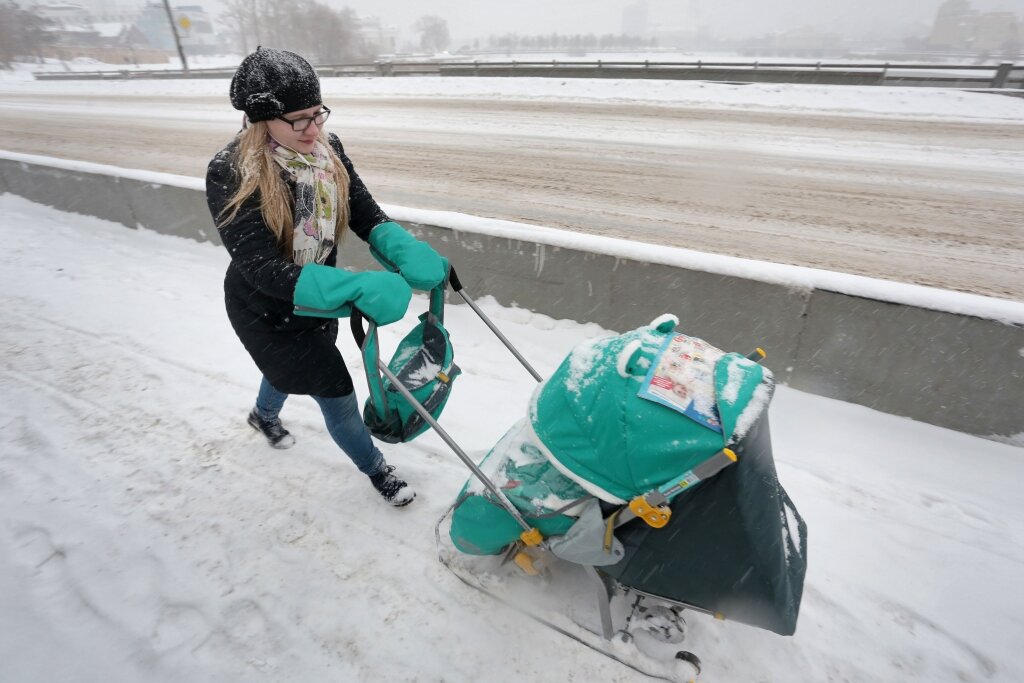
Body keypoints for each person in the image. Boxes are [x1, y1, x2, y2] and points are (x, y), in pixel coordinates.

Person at [205, 47, 446, 507]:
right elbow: (259, 265)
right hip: (265, 308)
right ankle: (377, 469)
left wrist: (403, 247)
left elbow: (363, 210)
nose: (313, 129)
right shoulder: (232, 171)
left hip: (317, 299)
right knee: (333, 389)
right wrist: (353, 287)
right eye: (299, 119)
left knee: (290, 372)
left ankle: (263, 414)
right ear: (261, 120)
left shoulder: (326, 150)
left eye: (318, 114)